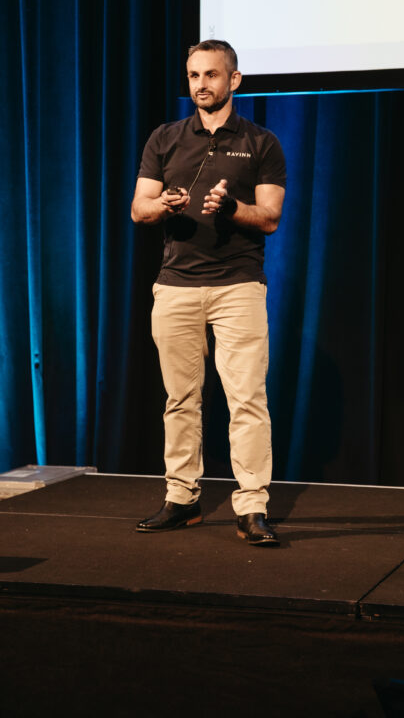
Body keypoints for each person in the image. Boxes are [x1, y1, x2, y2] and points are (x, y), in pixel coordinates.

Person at [131, 40, 286, 546]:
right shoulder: (165, 138)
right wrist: (167, 204)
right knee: (180, 400)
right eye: (194, 75)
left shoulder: (261, 143)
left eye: (212, 75)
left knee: (247, 400)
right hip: (176, 287)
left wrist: (232, 209)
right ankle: (182, 499)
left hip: (237, 286)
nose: (201, 84)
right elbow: (139, 209)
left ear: (234, 80)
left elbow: (270, 217)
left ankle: (252, 507)